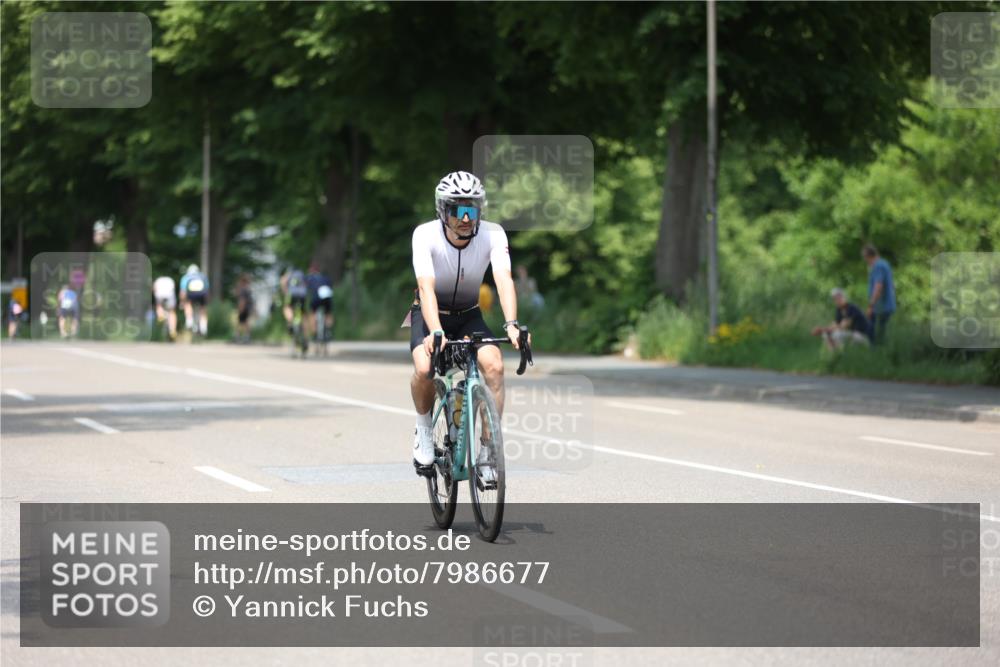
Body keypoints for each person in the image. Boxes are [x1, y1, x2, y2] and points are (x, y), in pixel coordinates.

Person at [409, 171, 527, 476]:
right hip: (431, 312)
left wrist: (511, 324)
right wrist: (435, 330)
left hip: (468, 315)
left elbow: (503, 279)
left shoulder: (493, 233)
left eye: (471, 210)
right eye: (457, 210)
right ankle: (423, 431)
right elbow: (426, 287)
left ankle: (488, 451)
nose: (465, 218)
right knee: (424, 368)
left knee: (494, 366)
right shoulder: (425, 234)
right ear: (442, 211)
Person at [863, 244, 896, 344]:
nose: (865, 260)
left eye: (865, 257)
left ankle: (876, 354)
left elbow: (878, 287)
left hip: (881, 307)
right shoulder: (884, 263)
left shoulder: (878, 266)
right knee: (881, 333)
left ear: (868, 256)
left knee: (874, 335)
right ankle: (881, 352)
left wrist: (871, 306)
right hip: (885, 305)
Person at [305, 264, 334, 342]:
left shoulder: (310, 278)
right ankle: (328, 331)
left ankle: (314, 334)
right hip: (327, 296)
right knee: (328, 313)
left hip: (317, 297)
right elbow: (331, 287)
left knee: (312, 313)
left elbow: (307, 289)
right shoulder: (326, 278)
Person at [179, 264, 209, 337]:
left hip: (191, 294)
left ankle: (189, 321)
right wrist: (206, 302)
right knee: (203, 310)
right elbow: (207, 290)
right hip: (201, 295)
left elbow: (183, 292)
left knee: (187, 304)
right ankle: (203, 327)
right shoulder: (203, 276)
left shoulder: (186, 277)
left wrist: (182, 302)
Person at [280, 266, 308, 336]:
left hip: (291, 294)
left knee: (287, 307)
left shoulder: (289, 274)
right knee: (303, 314)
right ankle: (305, 336)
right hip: (302, 295)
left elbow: (283, 281)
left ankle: (290, 321)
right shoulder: (301, 274)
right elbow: (306, 284)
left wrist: (285, 291)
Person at [152, 275, 178, 341]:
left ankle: (160, 315)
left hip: (160, 295)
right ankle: (173, 330)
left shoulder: (158, 280)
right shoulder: (170, 279)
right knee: (172, 312)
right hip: (169, 295)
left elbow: (154, 289)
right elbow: (173, 288)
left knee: (159, 305)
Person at [234, 273, 254, 344]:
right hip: (248, 308)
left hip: (243, 308)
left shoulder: (242, 289)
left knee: (240, 323)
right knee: (246, 323)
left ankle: (238, 336)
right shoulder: (248, 289)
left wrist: (240, 309)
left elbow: (242, 300)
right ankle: (246, 336)